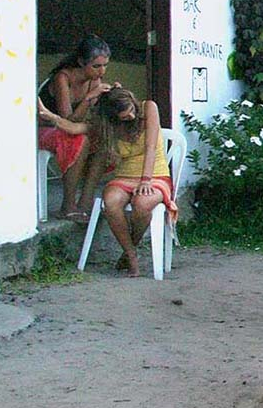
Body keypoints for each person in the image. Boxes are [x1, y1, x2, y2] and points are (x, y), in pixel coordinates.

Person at [38, 88, 175, 277]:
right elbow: (74, 128)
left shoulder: (148, 108)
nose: (132, 116)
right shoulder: (107, 125)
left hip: (155, 175)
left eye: (131, 110)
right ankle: (131, 255)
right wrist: (49, 115)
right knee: (110, 203)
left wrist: (145, 180)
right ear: (114, 117)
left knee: (142, 204)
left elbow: (151, 147)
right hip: (124, 177)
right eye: (125, 117)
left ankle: (130, 247)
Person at [37, 35, 117, 222]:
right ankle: (68, 205)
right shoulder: (62, 78)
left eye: (105, 65)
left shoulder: (94, 81)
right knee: (79, 140)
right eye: (96, 66)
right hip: (45, 127)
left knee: (104, 141)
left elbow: (93, 116)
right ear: (81, 62)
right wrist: (89, 98)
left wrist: (111, 95)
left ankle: (85, 202)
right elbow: (68, 119)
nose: (102, 71)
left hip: (68, 128)